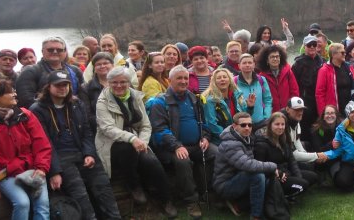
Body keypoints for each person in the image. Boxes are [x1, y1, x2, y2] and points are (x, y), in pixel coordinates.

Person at [30, 71, 121, 220]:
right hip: (60, 157)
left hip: (81, 151)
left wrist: (89, 153)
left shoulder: (76, 103)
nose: (63, 88)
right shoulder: (37, 109)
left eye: (66, 85)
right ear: (48, 87)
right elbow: (44, 143)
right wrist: (54, 171)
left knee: (103, 188)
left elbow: (86, 131)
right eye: (58, 85)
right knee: (80, 195)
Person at [95, 67, 177, 217]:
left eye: (123, 82)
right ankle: (133, 185)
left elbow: (146, 125)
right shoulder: (102, 101)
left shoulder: (135, 97)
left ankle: (166, 200)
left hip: (138, 140)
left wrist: (143, 142)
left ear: (128, 82)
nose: (119, 86)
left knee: (152, 162)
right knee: (127, 148)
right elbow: (108, 129)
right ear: (108, 83)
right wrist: (133, 139)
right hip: (112, 143)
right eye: (114, 82)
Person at [148, 65, 218, 219]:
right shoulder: (159, 102)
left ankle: (207, 191)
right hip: (173, 147)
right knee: (183, 161)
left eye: (186, 78)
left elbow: (203, 122)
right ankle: (191, 201)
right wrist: (177, 146)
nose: (183, 81)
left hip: (197, 144)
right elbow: (159, 130)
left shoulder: (194, 98)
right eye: (179, 78)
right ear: (170, 80)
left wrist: (205, 137)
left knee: (216, 153)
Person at [0, 80, 51, 220]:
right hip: (4, 173)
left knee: (43, 205)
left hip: (33, 169)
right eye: (10, 92)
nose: (15, 94)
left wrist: (41, 168)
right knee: (22, 203)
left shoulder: (25, 115)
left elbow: (41, 144)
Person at [213, 112, 278, 219]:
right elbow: (247, 164)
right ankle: (256, 216)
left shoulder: (245, 138)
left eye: (250, 125)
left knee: (266, 179)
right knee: (258, 176)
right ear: (234, 126)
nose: (247, 128)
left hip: (238, 178)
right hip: (225, 186)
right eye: (243, 125)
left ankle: (240, 205)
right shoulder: (230, 144)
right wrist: (273, 166)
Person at [15, 37, 84, 109]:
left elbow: (83, 97)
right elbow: (27, 101)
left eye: (59, 50)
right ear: (42, 51)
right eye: (50, 50)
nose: (55, 52)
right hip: (42, 117)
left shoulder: (75, 70)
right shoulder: (29, 72)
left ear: (64, 52)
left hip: (72, 113)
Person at [254, 113, 309, 200]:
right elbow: (259, 166)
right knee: (304, 184)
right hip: (274, 178)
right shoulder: (261, 144)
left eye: (282, 124)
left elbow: (292, 161)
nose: (280, 127)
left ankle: (292, 191)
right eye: (277, 124)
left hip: (286, 172)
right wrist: (277, 172)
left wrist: (298, 177)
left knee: (312, 177)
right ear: (270, 125)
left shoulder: (284, 139)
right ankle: (282, 197)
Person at [316, 43, 354, 118]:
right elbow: (319, 94)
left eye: (345, 52)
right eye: (342, 52)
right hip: (333, 111)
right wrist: (323, 113)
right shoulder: (324, 70)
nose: (345, 54)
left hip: (351, 109)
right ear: (334, 55)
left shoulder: (349, 68)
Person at [291, 35, 324, 135]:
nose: (312, 47)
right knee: (305, 128)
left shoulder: (322, 61)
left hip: (319, 100)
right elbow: (294, 85)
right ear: (304, 46)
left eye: (314, 44)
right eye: (309, 45)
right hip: (305, 101)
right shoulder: (298, 63)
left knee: (319, 127)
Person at [233, 53, 272, 131]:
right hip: (243, 124)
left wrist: (266, 117)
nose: (247, 65)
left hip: (261, 122)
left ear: (254, 65)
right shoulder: (234, 82)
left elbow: (268, 99)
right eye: (244, 63)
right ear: (239, 66)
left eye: (250, 62)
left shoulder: (261, 80)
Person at [256, 44, 299, 113]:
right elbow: (262, 97)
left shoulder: (287, 71)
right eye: (272, 57)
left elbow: (294, 91)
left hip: (288, 111)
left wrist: (292, 107)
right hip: (271, 113)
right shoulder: (261, 77)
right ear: (267, 60)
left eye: (277, 56)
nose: (275, 59)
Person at [201, 68, 238, 145]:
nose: (222, 79)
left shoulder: (235, 96)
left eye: (225, 77)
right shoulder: (210, 100)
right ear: (214, 82)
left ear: (230, 79)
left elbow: (241, 116)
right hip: (220, 141)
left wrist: (250, 107)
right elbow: (212, 124)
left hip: (236, 136)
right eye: (218, 78)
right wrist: (229, 137)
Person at [81, 52, 114, 133]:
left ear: (113, 65)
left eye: (105, 63)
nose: (102, 66)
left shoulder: (124, 83)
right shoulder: (86, 88)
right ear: (94, 68)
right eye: (98, 64)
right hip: (99, 131)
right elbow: (87, 114)